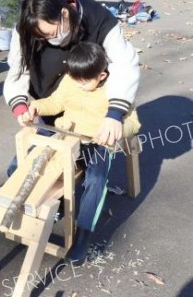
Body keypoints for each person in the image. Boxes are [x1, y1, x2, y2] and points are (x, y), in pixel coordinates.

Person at [21, 42, 141, 265]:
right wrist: (37, 106)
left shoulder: (119, 87)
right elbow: (56, 102)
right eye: (74, 79)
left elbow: (134, 122)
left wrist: (115, 131)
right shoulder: (72, 80)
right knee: (36, 163)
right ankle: (44, 208)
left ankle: (84, 233)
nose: (78, 85)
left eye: (84, 82)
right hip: (70, 136)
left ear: (102, 75)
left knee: (96, 181)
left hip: (100, 143)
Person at [4, 0, 140, 176]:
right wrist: (20, 105)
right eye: (41, 37)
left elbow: (125, 64)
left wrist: (114, 114)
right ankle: (56, 202)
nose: (48, 41)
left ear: (65, 13)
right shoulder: (27, 29)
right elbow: (17, 69)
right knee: (20, 170)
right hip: (50, 109)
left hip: (94, 118)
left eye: (51, 34)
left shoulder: (99, 19)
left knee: (86, 169)